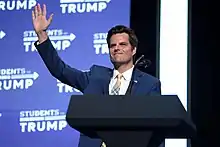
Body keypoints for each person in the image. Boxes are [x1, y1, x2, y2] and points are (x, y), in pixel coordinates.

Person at [32, 3, 161, 147]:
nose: (117, 48)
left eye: (122, 44)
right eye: (112, 46)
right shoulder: (95, 77)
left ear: (134, 49)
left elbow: (156, 128)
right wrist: (42, 35)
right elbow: (60, 70)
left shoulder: (149, 84)